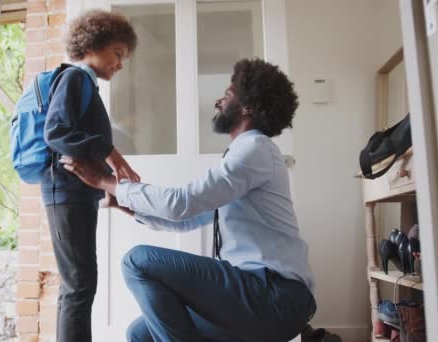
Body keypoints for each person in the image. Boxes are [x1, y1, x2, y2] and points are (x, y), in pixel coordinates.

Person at [61, 58, 316, 342]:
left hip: (274, 296)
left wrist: (104, 180)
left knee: (138, 261)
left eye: (228, 95)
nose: (219, 101)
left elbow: (181, 203)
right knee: (139, 333)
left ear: (248, 108)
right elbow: (189, 219)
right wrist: (123, 203)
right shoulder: (244, 155)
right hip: (255, 295)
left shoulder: (255, 149)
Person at [42, 10, 139, 342]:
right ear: (93, 44)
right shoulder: (75, 78)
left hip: (77, 194)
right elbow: (55, 132)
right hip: (66, 193)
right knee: (79, 285)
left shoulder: (85, 84)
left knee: (78, 284)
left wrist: (106, 187)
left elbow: (77, 140)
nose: (120, 64)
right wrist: (110, 152)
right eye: (117, 53)